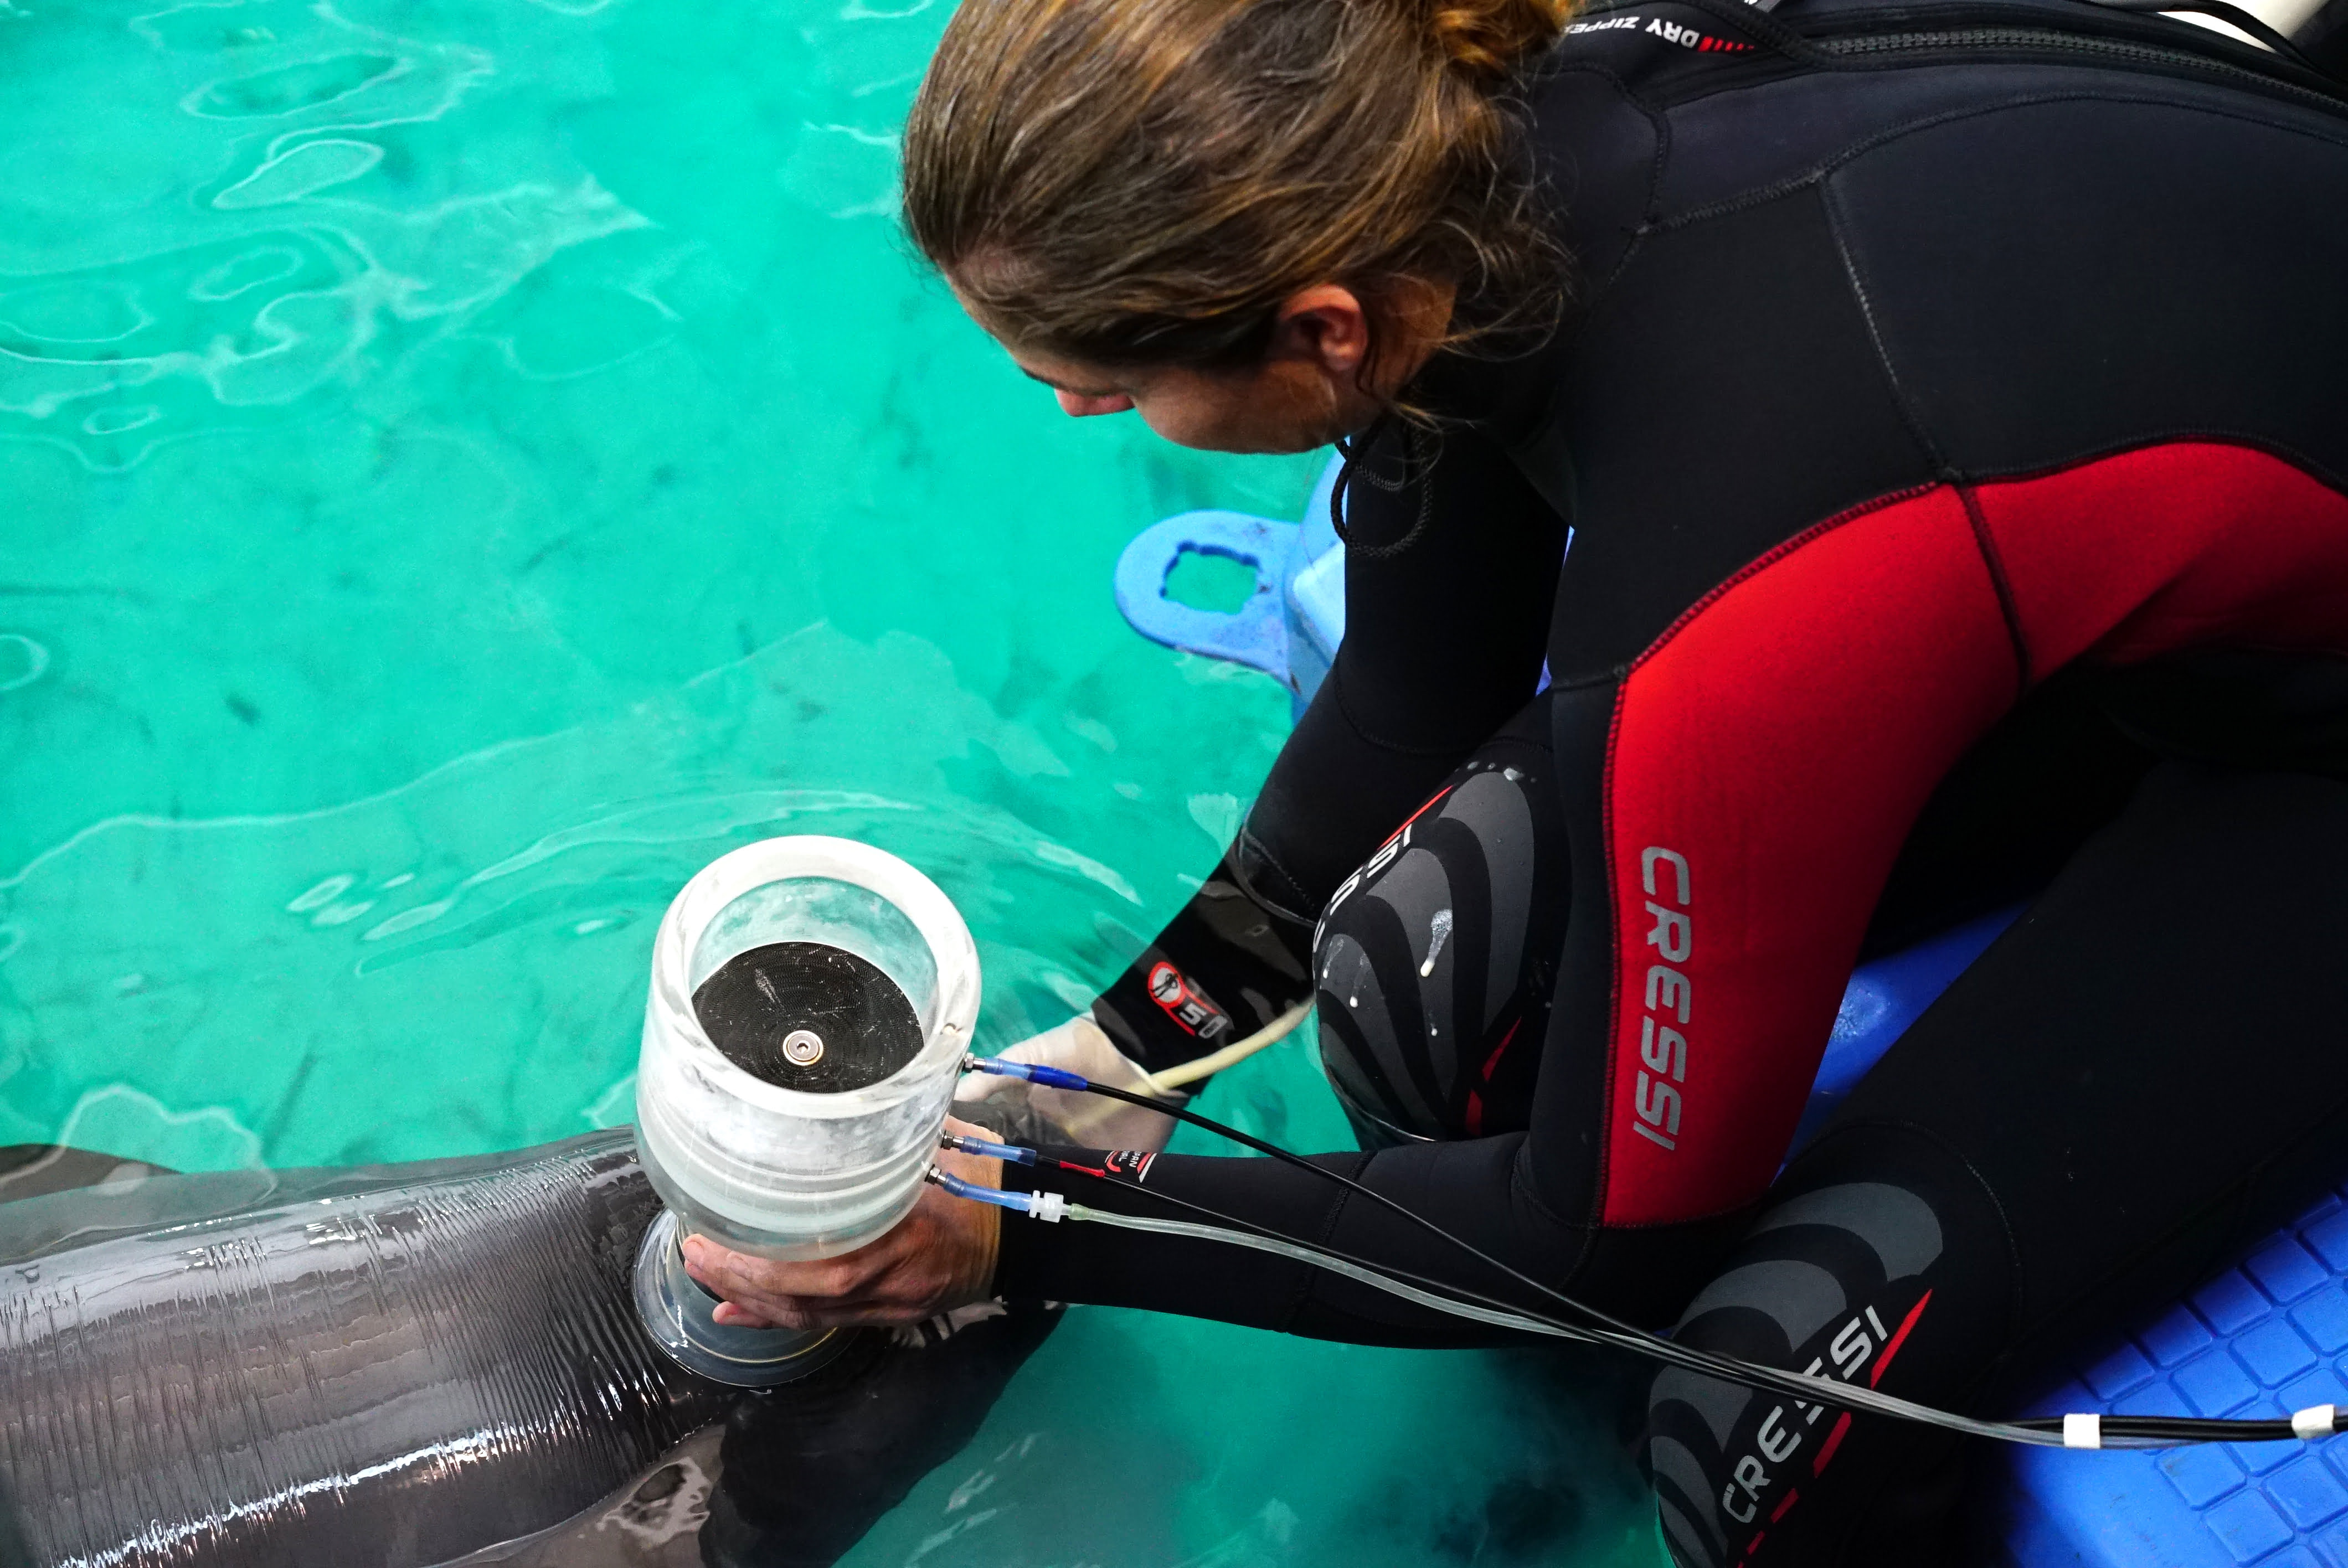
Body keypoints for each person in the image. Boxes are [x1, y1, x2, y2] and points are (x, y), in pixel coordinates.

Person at [675, 0, 2348, 1556]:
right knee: (1422, 961)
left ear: (1318, 331)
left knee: (1765, 1397)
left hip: (2293, 758)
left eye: (1106, 377)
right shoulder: (1461, 190)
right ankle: (1525, 1414)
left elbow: (1606, 1243)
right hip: (2139, 601)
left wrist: (1020, 1227)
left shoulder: (1735, 592)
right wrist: (1121, 1062)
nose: (1067, 403)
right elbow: (1409, 711)